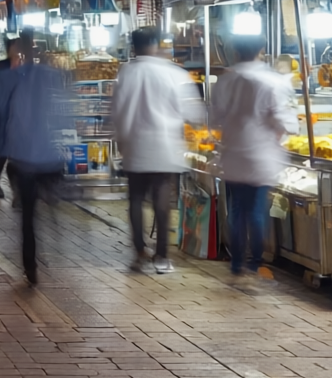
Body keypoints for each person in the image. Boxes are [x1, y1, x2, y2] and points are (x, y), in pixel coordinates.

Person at [111, 27, 202, 273]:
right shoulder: (174, 73)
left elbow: (117, 112)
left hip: (135, 146)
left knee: (136, 200)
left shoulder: (126, 73)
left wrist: (121, 141)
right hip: (165, 146)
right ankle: (162, 257)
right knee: (162, 202)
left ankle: (140, 252)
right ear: (154, 44)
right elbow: (194, 113)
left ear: (134, 46)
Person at [211, 34, 299, 280]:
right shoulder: (273, 81)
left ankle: (237, 263)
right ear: (262, 50)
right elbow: (284, 120)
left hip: (233, 154)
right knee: (257, 209)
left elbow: (215, 119)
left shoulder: (225, 81)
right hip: (262, 154)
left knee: (238, 209)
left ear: (236, 52)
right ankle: (255, 262)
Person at [0, 40, 68, 286]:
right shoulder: (48, 76)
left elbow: (0, 116)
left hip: (25, 160)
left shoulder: (11, 80)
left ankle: (30, 264)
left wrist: (1, 148)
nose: (15, 63)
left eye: (16, 58)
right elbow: (62, 112)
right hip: (43, 159)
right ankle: (35, 259)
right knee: (32, 213)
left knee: (27, 216)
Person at [0, 38, 26, 200]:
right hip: (3, 118)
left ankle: (15, 191)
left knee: (15, 155)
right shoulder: (1, 68)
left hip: (16, 118)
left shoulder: (20, 68)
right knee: (4, 153)